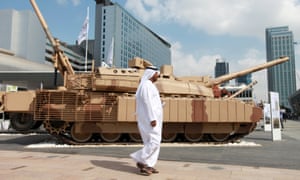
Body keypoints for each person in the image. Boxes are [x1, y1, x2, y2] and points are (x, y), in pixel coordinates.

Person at [130, 66, 163, 176]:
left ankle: (149, 165)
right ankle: (140, 159)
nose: (158, 75)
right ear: (151, 73)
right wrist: (152, 118)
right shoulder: (145, 85)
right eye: (157, 73)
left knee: (153, 142)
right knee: (154, 141)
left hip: (153, 118)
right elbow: (146, 102)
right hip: (149, 119)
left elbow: (152, 102)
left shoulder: (150, 86)